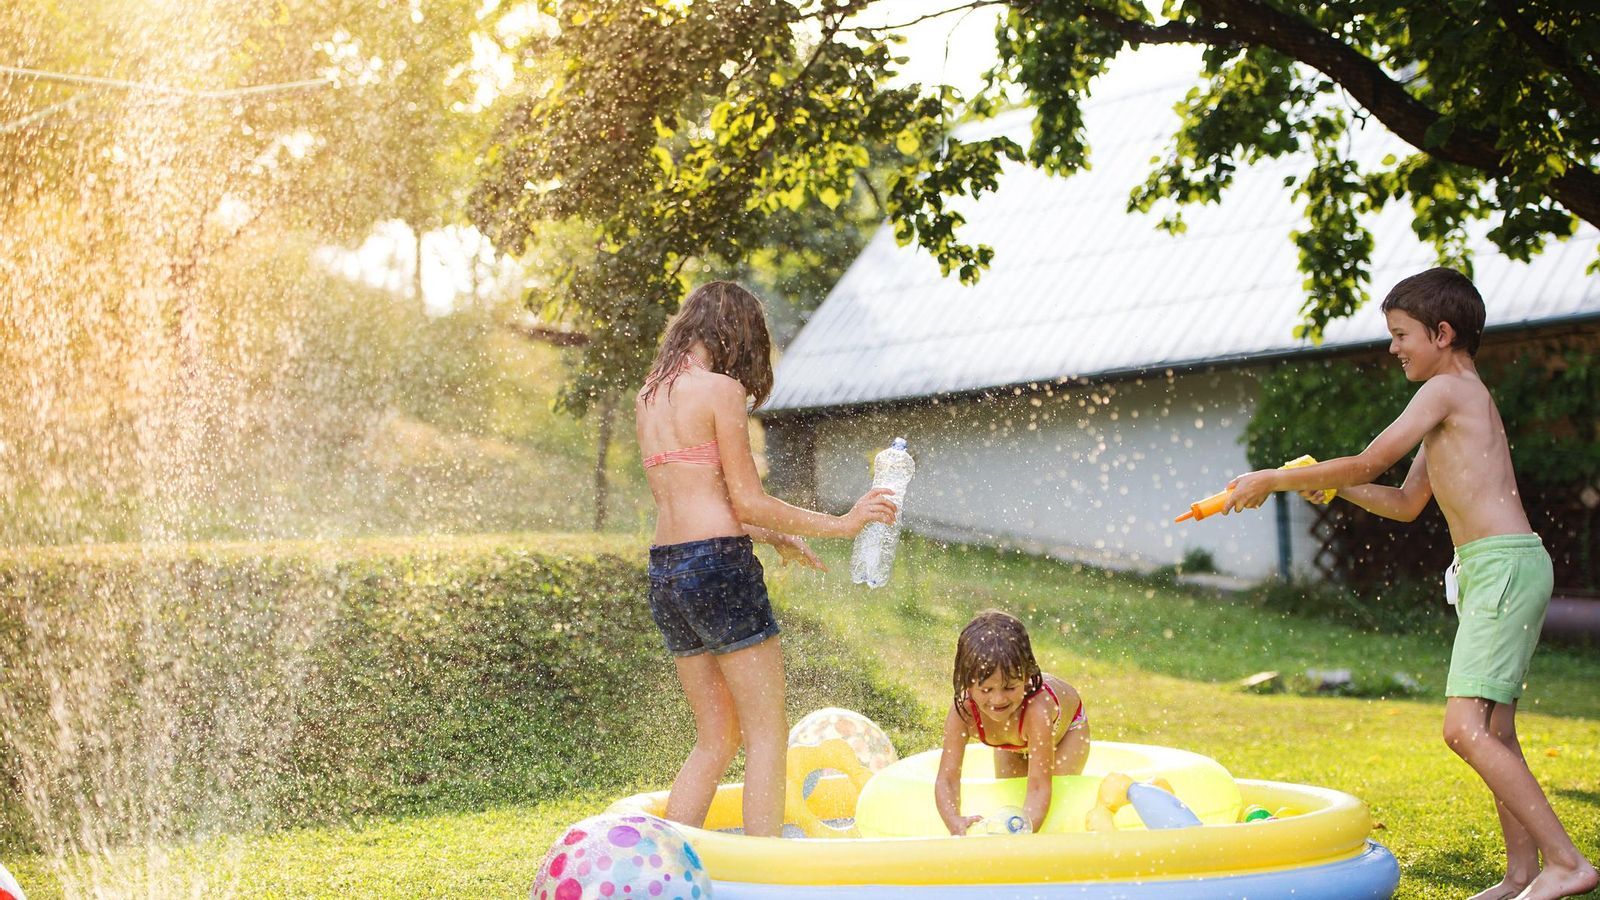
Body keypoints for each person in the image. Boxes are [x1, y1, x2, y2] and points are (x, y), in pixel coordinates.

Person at [1224, 267, 1597, 900]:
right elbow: (1403, 501)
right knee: (1494, 733)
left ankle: (1567, 863)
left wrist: (1272, 479)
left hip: (1502, 567)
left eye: (1401, 335)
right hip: (1495, 568)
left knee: (1463, 729)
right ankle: (1522, 874)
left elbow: (1370, 460)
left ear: (1442, 334)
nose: (1393, 347)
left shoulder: (1445, 390)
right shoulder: (1459, 398)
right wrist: (1335, 488)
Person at [636, 280, 898, 838]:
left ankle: (667, 861)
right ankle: (765, 867)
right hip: (718, 569)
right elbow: (747, 501)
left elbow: (696, 502)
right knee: (765, 733)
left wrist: (772, 535)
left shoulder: (650, 397)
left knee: (716, 737)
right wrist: (843, 523)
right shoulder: (720, 390)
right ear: (736, 334)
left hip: (667, 572)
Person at [933, 609, 1089, 835]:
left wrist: (1022, 836)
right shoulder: (963, 712)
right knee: (1011, 800)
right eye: (986, 690)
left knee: (1055, 802)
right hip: (1013, 742)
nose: (998, 700)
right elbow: (947, 779)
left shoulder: (1036, 711)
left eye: (1010, 687)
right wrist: (954, 822)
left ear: (1026, 677)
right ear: (967, 683)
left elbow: (1039, 787)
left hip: (1066, 732)